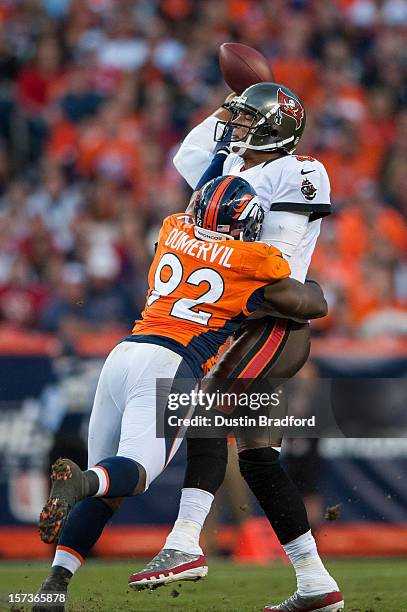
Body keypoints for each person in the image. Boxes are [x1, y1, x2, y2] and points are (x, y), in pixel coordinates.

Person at [33, 174, 327, 612]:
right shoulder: (253, 261)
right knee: (134, 473)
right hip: (171, 364)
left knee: (106, 484)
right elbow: (309, 304)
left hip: (123, 354)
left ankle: (54, 586)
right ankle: (79, 483)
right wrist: (312, 288)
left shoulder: (173, 230)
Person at [129, 83, 344, 612]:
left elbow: (279, 264)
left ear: (277, 128)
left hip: (272, 317)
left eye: (249, 121)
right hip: (242, 319)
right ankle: (315, 582)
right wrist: (238, 98)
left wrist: (272, 287)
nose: (236, 128)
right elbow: (191, 152)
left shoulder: (298, 170)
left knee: (200, 407)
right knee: (257, 459)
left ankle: (183, 542)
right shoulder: (236, 165)